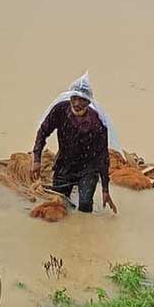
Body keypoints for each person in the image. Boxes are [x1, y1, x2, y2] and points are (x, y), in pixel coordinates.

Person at [31, 72, 118, 215]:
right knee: (59, 202)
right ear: (70, 97)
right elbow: (43, 132)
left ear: (89, 102)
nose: (77, 104)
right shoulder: (60, 110)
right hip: (64, 165)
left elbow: (103, 156)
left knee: (85, 206)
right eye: (74, 98)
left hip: (88, 169)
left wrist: (105, 190)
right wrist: (36, 160)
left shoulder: (97, 123)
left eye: (82, 100)